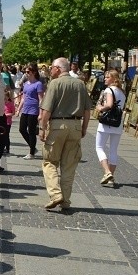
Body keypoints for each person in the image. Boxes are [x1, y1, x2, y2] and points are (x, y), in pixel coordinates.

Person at [37, 57, 92, 210]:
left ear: (59, 69)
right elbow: (87, 111)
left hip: (57, 125)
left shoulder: (54, 84)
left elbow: (46, 110)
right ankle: (66, 200)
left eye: (52, 67)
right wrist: (84, 128)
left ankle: (55, 194)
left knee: (49, 161)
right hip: (75, 125)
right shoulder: (80, 84)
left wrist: (42, 128)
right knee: (69, 165)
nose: (50, 70)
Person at [94, 70, 127, 187]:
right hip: (117, 123)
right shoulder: (122, 92)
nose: (105, 79)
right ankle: (110, 178)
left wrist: (99, 108)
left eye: (107, 77)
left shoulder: (109, 90)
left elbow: (109, 105)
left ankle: (107, 172)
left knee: (99, 147)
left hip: (106, 123)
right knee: (113, 150)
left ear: (113, 79)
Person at [16, 62, 44, 159]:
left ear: (34, 72)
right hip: (25, 109)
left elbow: (41, 99)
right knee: (22, 129)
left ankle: (31, 152)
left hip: (33, 109)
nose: (26, 73)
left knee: (31, 131)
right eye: (25, 71)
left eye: (28, 72)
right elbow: (23, 97)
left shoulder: (38, 84)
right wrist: (18, 109)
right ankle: (33, 146)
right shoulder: (25, 84)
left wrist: (41, 112)